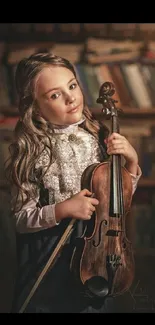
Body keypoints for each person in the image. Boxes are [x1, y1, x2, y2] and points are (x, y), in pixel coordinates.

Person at [6, 52, 141, 313]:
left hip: (97, 253)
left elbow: (116, 206)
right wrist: (64, 209)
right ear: (34, 106)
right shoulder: (31, 151)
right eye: (55, 95)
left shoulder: (98, 136)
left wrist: (132, 163)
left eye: (72, 85)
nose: (71, 98)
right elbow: (22, 220)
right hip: (53, 256)